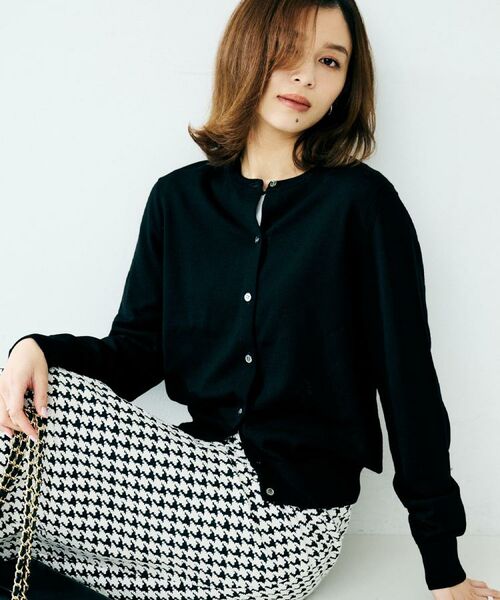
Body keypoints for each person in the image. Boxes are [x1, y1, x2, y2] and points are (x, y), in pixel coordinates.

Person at [1, 1, 498, 599]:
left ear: (346, 84)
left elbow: (407, 380)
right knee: (19, 408)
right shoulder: (178, 200)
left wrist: (445, 569)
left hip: (287, 525)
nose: (306, 75)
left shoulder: (363, 206)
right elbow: (135, 353)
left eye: (330, 61)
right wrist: (38, 350)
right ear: (246, 54)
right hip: (187, 487)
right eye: (287, 51)